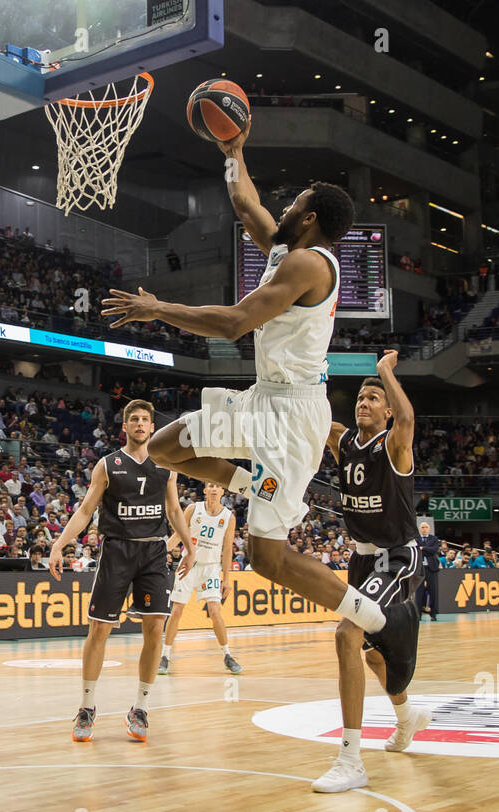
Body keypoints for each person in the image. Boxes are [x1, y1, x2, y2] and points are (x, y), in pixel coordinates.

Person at [101, 120, 418, 682]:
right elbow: (247, 207)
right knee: (168, 446)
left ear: (311, 215)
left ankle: (377, 619)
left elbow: (235, 323)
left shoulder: (308, 263)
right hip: (264, 399)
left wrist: (159, 309)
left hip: (293, 415)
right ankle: (257, 484)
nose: (286, 205)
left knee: (268, 559)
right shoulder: (286, 249)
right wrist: (234, 152)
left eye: (295, 201)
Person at [315, 351, 431, 793]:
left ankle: (350, 760)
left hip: (396, 557)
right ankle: (407, 717)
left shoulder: (395, 444)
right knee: (372, 654)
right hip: (363, 560)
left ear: (386, 411)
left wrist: (385, 373)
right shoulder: (343, 442)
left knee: (346, 633)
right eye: (361, 397)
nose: (364, 402)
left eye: (373, 398)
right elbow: (311, 421)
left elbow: (407, 418)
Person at [49, 400, 194, 743]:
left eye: (146, 419)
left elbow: (174, 509)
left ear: (152, 427)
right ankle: (87, 707)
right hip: (117, 549)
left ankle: (140, 708)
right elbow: (85, 510)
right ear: (125, 427)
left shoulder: (165, 464)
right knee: (100, 629)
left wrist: (189, 546)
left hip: (154, 551)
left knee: (156, 627)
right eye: (135, 420)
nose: (141, 424)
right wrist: (59, 544)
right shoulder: (108, 464)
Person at [157, 481, 239, 676]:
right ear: (204, 490)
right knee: (176, 611)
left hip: (211, 568)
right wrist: (158, 554)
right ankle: (165, 656)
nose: (213, 489)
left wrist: (226, 578)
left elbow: (228, 549)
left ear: (222, 491)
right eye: (209, 485)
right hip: (189, 564)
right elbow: (178, 535)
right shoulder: (194, 509)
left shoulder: (228, 517)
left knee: (215, 611)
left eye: (217, 486)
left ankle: (227, 655)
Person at [415, 520, 440, 620]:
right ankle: (418, 615)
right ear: (419, 529)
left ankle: (433, 614)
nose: (424, 529)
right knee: (419, 593)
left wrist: (422, 548)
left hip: (431, 569)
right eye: (422, 527)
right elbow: (416, 550)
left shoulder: (434, 538)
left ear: (429, 529)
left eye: (426, 527)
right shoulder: (416, 539)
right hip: (420, 569)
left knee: (433, 592)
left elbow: (434, 550)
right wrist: (426, 549)